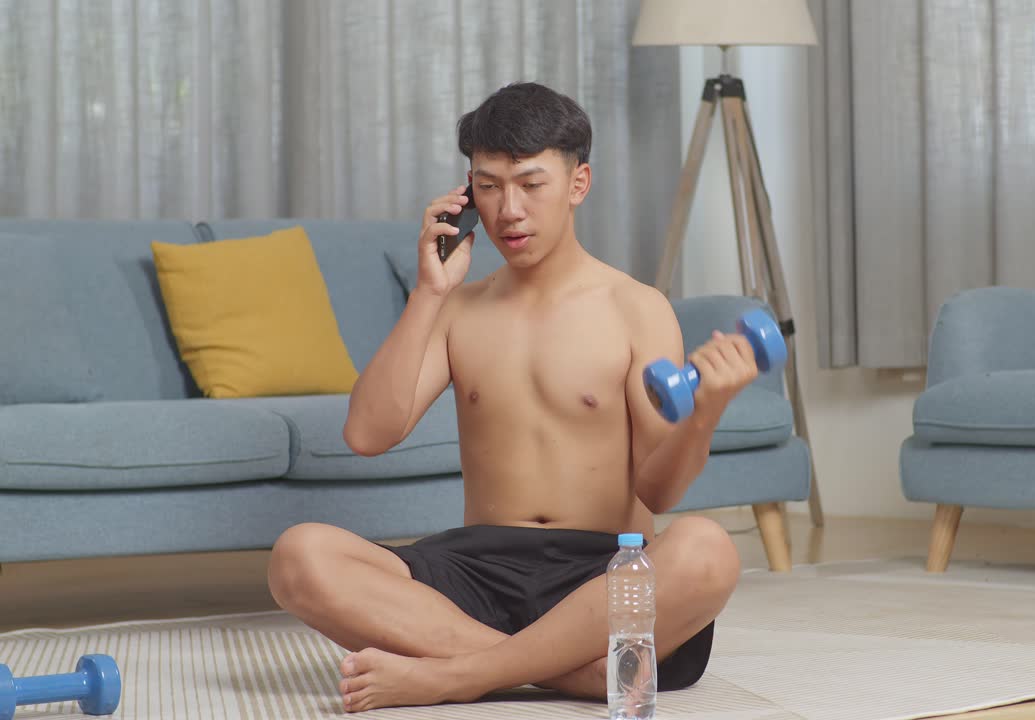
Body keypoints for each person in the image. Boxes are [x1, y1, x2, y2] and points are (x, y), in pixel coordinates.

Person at [266, 81, 756, 713]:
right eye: (489, 186)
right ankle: (569, 674)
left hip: (603, 574)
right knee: (299, 555)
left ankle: (459, 674)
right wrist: (428, 292)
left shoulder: (636, 308)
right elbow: (367, 435)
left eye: (531, 184)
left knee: (707, 549)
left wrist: (705, 412)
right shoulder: (455, 307)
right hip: (477, 571)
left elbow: (659, 493)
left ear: (579, 183)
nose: (508, 210)